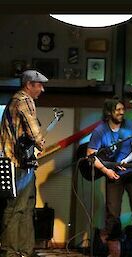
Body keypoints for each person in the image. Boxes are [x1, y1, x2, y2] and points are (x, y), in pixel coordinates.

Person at [87, 97, 132, 257]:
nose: (122, 112)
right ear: (109, 112)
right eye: (118, 110)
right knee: (112, 214)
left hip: (131, 171)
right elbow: (91, 155)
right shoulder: (100, 131)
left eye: (123, 109)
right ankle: (114, 252)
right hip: (112, 173)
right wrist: (106, 171)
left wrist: (126, 160)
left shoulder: (131, 126)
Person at [0, 70, 48, 257]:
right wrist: (40, 143)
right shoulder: (24, 100)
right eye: (39, 85)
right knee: (16, 208)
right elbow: (35, 133)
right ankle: (11, 251)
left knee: (27, 207)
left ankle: (24, 250)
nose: (42, 89)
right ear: (29, 85)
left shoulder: (15, 100)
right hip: (16, 163)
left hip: (23, 162)